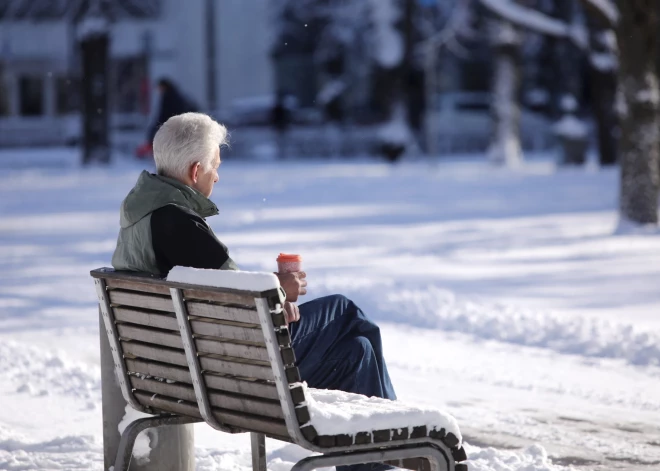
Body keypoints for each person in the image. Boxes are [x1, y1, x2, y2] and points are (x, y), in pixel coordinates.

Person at [112, 112, 396, 471]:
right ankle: (397, 441)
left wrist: (274, 296)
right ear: (196, 172)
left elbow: (221, 298)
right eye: (216, 165)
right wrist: (279, 291)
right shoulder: (177, 223)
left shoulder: (139, 214)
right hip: (230, 378)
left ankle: (384, 453)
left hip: (182, 371)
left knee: (358, 352)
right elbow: (240, 307)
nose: (219, 173)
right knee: (346, 311)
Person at [136, 78, 199, 159]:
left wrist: (157, 126)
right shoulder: (176, 95)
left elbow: (164, 114)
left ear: (164, 87)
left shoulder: (169, 97)